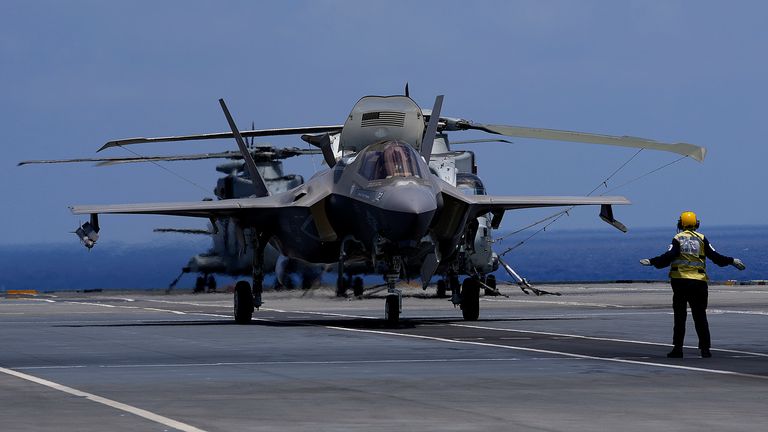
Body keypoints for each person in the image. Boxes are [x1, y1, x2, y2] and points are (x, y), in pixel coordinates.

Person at [640, 211, 746, 359]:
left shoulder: (678, 238)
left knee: (680, 317)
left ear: (680, 224)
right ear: (697, 224)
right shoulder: (702, 239)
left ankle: (678, 349)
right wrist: (731, 260)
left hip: (680, 282)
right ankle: (705, 350)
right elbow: (716, 257)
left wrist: (652, 261)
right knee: (700, 316)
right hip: (699, 283)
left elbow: (669, 256)